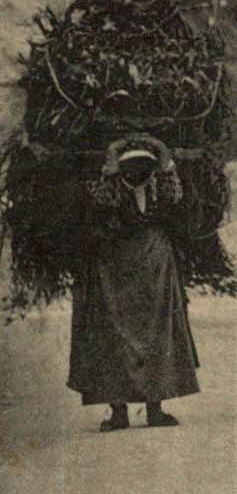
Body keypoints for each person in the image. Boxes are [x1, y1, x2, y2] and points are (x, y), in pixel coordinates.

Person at [70, 136, 199, 431]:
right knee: (116, 334)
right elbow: (104, 196)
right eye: (131, 167)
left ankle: (150, 408)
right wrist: (127, 150)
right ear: (121, 168)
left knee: (153, 334)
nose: (137, 173)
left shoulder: (157, 185)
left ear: (152, 168)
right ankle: (123, 411)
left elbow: (175, 194)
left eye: (143, 166)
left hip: (150, 263)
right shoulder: (111, 187)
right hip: (115, 265)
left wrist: (152, 148)